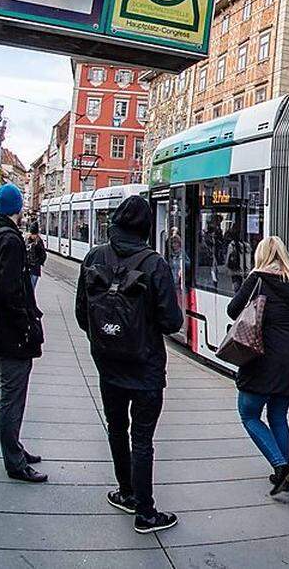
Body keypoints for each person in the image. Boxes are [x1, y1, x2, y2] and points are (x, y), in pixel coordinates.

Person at [76, 196, 183, 533]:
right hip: (146, 365)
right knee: (143, 437)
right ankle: (145, 512)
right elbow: (172, 321)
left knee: (116, 427)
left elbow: (82, 313)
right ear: (146, 227)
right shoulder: (154, 264)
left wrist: (106, 336)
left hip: (107, 363)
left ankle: (126, 492)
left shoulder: (95, 256)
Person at [0, 183, 46, 483]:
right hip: (10, 332)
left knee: (5, 393)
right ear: (16, 208)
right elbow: (12, 290)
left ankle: (13, 447)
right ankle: (14, 462)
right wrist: (26, 324)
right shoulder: (10, 240)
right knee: (12, 396)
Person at [227, 236, 289, 497]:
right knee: (278, 416)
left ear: (261, 255)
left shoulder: (258, 279)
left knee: (249, 414)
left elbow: (233, 310)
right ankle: (281, 474)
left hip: (261, 357)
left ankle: (281, 467)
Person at [25, 222, 47, 291]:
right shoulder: (27, 240)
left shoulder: (39, 242)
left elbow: (43, 254)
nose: (33, 236)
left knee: (31, 289)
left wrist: (38, 263)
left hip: (35, 269)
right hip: (28, 268)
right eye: (32, 234)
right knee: (28, 288)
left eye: (34, 234)